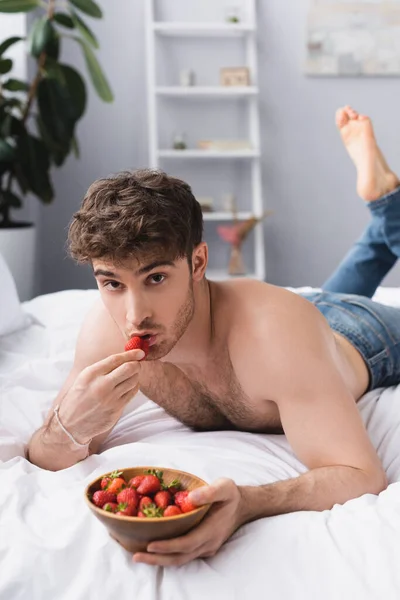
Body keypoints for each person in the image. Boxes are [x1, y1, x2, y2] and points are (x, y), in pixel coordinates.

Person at [27, 106, 400, 567]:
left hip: (359, 336)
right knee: (323, 295)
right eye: (112, 283)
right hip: (300, 321)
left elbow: (362, 474)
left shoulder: (277, 337)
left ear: (198, 263)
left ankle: (389, 209)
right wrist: (68, 427)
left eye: (156, 278)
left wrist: (248, 502)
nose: (134, 314)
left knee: (337, 304)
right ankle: (384, 214)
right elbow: (45, 451)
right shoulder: (103, 332)